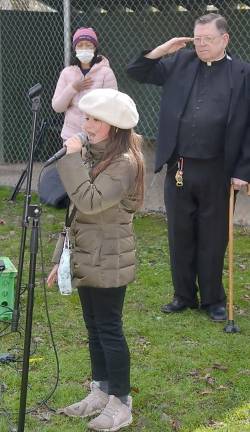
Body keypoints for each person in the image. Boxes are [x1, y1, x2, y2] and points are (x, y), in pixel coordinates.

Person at [127, 13, 250, 321]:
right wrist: (163, 50)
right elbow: (137, 71)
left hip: (218, 169)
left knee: (213, 235)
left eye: (207, 39)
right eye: (197, 39)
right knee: (179, 233)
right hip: (179, 166)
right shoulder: (179, 62)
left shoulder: (242, 74)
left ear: (225, 39)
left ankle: (212, 299)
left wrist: (243, 170)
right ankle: (183, 295)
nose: (201, 45)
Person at [47, 88, 145, 431]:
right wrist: (60, 259)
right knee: (94, 328)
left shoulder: (124, 164)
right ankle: (100, 391)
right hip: (86, 254)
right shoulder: (92, 153)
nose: (86, 124)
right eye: (86, 117)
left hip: (109, 257)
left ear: (114, 126)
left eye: (94, 120)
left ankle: (121, 402)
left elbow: (89, 201)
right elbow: (74, 213)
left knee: (109, 329)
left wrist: (70, 158)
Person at [52, 27, 118, 141]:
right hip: (71, 136)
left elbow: (113, 105)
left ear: (95, 48)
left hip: (98, 137)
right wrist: (73, 88)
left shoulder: (106, 73)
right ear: (75, 49)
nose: (84, 48)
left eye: (88, 45)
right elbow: (57, 107)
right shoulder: (67, 73)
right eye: (80, 45)